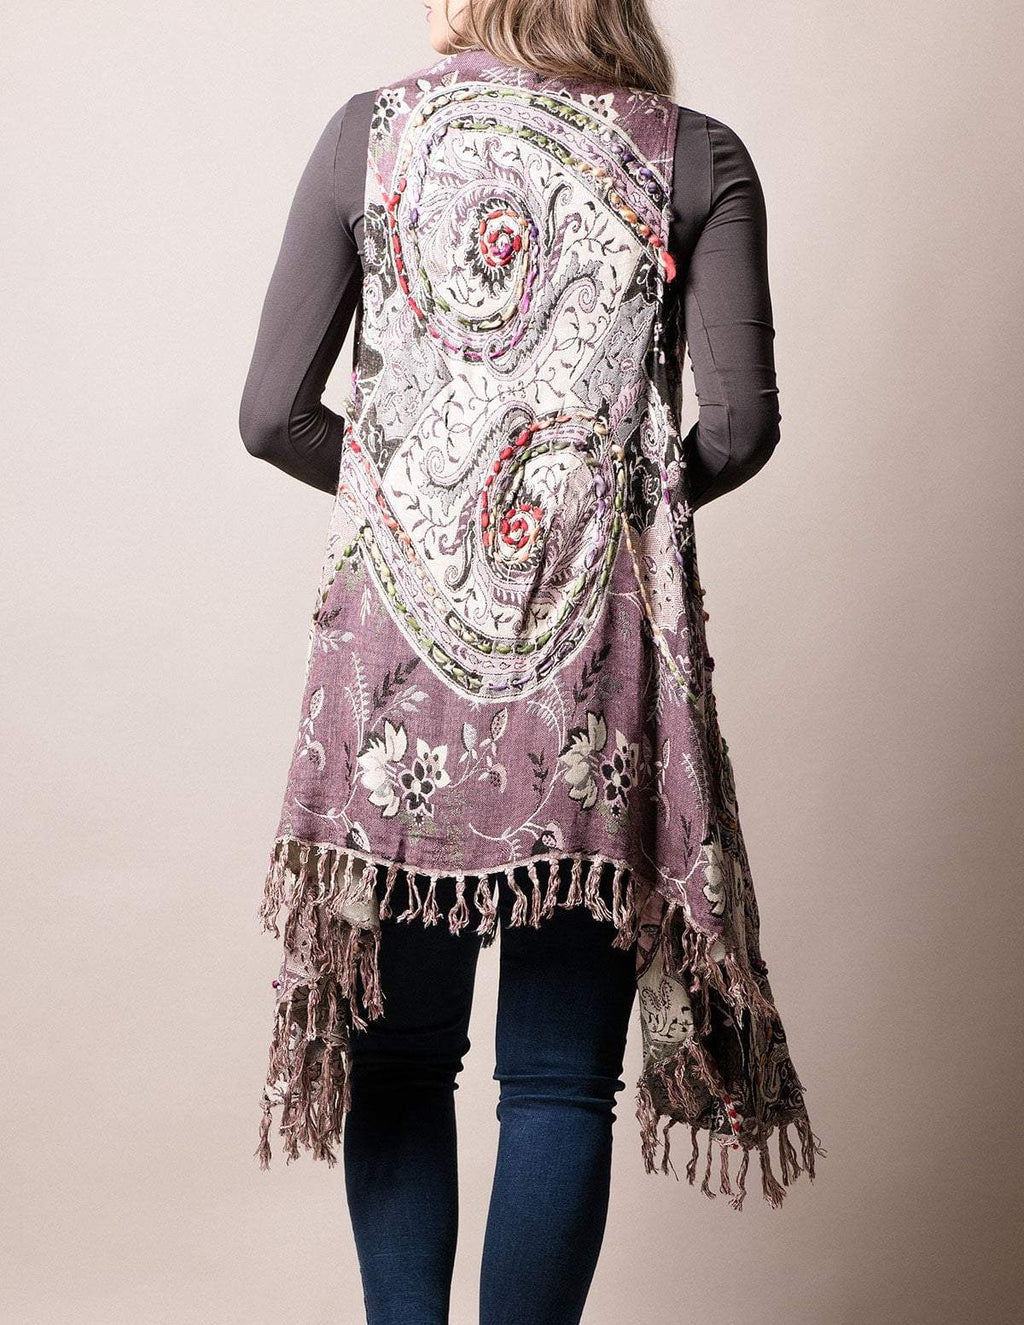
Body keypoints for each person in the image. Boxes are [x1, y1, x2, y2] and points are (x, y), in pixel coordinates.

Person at [239, 3, 824, 1323]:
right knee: (561, 1080)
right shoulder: (695, 154)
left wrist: (423, 508)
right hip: (593, 660)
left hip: (397, 668)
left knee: (398, 1061)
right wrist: (590, 515)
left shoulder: (368, 135)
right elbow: (737, 426)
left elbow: (271, 414)